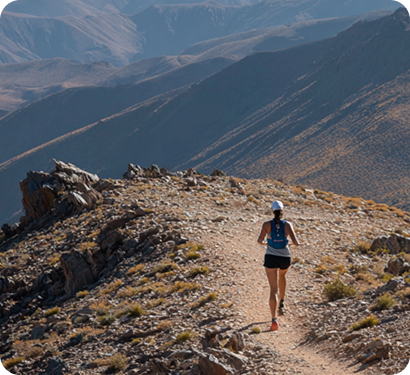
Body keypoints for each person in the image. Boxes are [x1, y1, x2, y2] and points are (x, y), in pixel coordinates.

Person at [257, 200, 300, 331]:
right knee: (282, 275)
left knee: (272, 289)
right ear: (282, 211)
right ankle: (282, 299)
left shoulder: (266, 225)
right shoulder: (287, 225)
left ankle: (274, 320)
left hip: (270, 257)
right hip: (285, 257)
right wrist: (287, 244)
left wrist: (266, 244)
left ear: (272, 211)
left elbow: (259, 241)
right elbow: (296, 242)